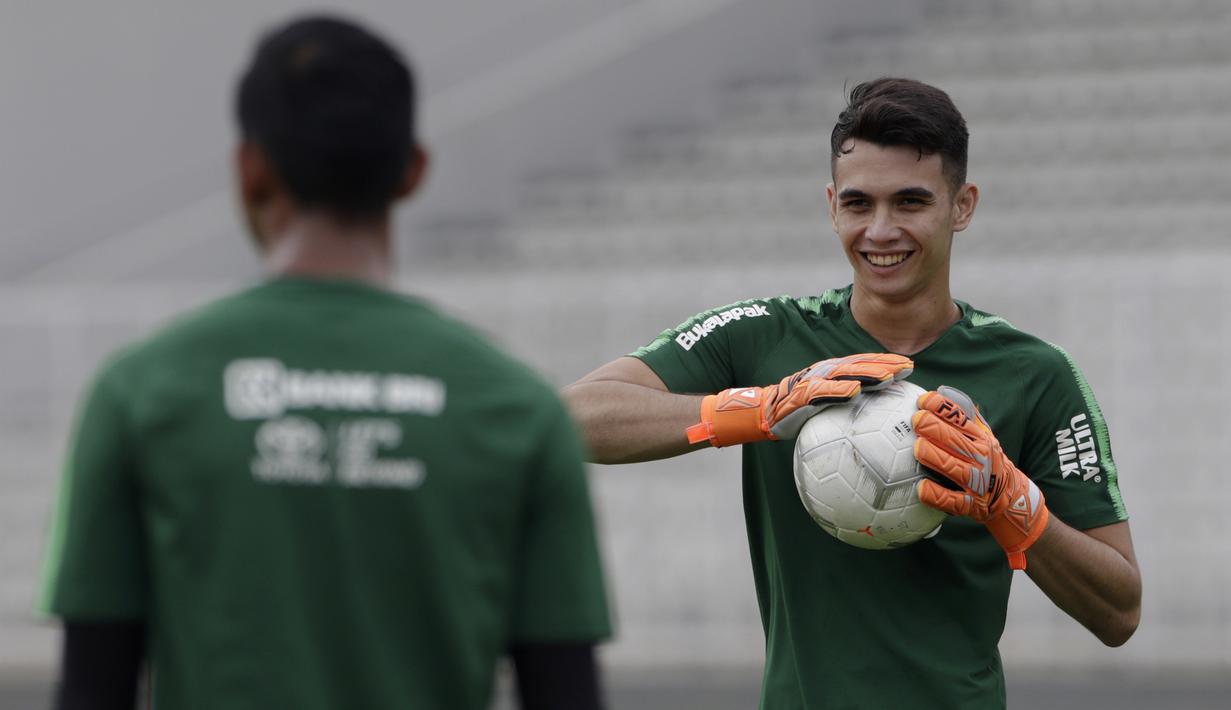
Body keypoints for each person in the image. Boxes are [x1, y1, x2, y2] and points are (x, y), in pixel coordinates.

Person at [40, 16, 610, 710]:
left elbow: (91, 690)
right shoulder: (520, 409)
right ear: (412, 171)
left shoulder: (140, 391)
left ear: (249, 170)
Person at [563, 77, 1140, 709]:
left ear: (963, 206)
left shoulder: (1035, 373)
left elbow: (1119, 611)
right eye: (859, 204)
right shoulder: (765, 335)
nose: (881, 230)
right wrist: (755, 409)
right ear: (832, 205)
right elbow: (572, 417)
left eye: (911, 203)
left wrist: (1014, 505)